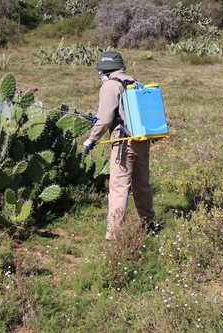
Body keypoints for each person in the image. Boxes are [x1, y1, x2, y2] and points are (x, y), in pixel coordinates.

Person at [83, 51, 155, 241]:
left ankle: (115, 235)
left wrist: (91, 139)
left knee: (119, 188)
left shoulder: (110, 86)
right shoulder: (134, 81)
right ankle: (148, 224)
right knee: (142, 186)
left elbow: (105, 119)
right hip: (143, 139)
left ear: (105, 69)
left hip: (124, 143)